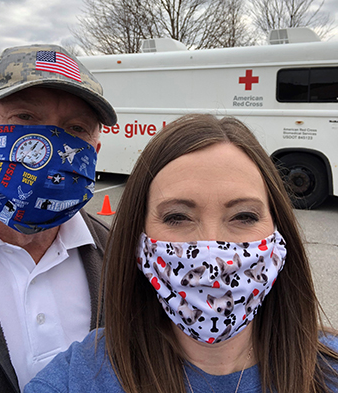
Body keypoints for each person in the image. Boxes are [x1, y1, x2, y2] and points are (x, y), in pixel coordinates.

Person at [25, 114, 338, 393]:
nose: (213, 252)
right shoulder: (75, 378)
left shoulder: (331, 369)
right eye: (177, 217)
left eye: (244, 216)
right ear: (139, 240)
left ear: (278, 233)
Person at [0, 44, 117, 392]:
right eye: (24, 117)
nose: (50, 141)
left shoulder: (117, 254)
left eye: (76, 128)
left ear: (94, 151)